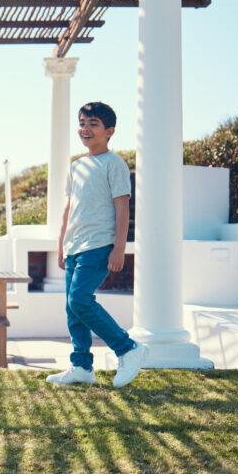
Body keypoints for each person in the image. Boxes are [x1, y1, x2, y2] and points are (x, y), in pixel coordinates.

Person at [46, 101, 147, 389]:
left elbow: (122, 208)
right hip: (75, 245)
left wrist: (119, 247)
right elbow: (69, 208)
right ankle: (81, 367)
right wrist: (61, 243)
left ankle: (127, 348)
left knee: (80, 301)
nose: (85, 129)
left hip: (99, 245)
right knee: (72, 308)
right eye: (82, 123)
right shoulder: (77, 166)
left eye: (93, 124)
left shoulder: (114, 164)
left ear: (109, 131)